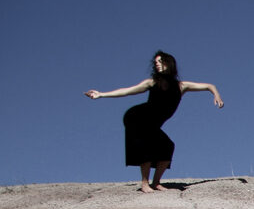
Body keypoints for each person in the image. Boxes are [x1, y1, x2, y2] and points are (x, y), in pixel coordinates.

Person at [85, 51, 224, 192]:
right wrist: (101, 94)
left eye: (160, 61)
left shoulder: (181, 86)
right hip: (137, 117)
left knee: (168, 146)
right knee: (146, 147)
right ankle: (145, 184)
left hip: (152, 124)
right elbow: (127, 91)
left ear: (169, 63)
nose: (157, 65)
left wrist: (216, 95)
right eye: (156, 62)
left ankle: (156, 182)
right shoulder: (152, 82)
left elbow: (209, 85)